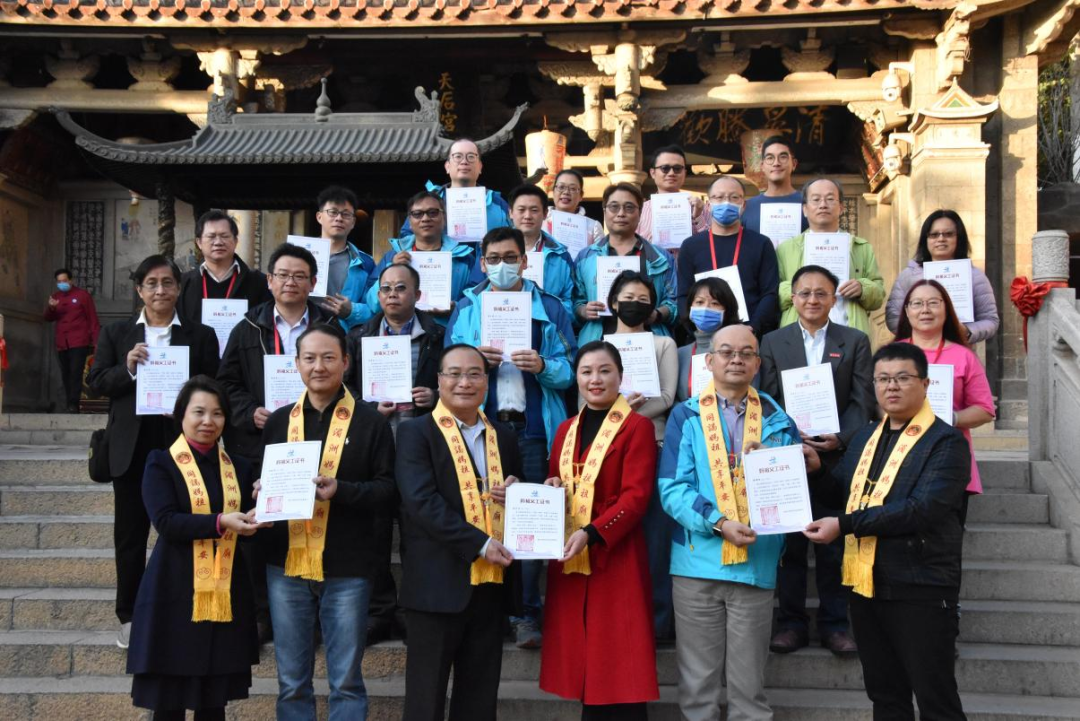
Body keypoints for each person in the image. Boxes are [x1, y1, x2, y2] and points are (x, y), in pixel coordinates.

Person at [803, 342, 970, 721]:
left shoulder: (946, 442)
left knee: (936, 700)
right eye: (882, 379)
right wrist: (818, 471)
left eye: (902, 378)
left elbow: (921, 510)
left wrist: (844, 526)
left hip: (921, 587)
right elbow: (842, 495)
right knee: (885, 696)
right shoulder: (865, 437)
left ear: (925, 384)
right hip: (866, 586)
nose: (891, 386)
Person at [658, 323, 801, 721]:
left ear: (758, 363)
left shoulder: (778, 420)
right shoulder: (685, 415)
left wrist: (785, 463)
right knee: (697, 687)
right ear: (709, 361)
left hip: (756, 561)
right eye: (726, 352)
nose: (736, 359)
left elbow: (789, 493)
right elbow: (672, 489)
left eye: (746, 353)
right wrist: (718, 522)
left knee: (749, 688)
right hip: (696, 562)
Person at [446, 226, 577, 648]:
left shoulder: (550, 307)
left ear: (524, 260)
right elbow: (449, 368)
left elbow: (570, 369)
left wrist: (543, 365)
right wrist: (473, 364)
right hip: (479, 430)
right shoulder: (467, 307)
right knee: (479, 516)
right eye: (494, 259)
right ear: (482, 263)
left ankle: (525, 614)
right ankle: (485, 609)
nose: (502, 265)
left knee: (530, 521)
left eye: (510, 257)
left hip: (532, 429)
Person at [260, 322, 397, 721]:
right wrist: (262, 492)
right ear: (296, 364)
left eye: (328, 357)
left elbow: (388, 490)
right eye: (309, 358)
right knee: (291, 681)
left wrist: (342, 490)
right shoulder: (279, 421)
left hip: (348, 565)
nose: (318, 366)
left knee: (346, 680)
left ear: (346, 363)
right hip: (286, 563)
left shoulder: (370, 422)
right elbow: (265, 482)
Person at [87, 255, 220, 650]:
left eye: (167, 282)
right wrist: (128, 368)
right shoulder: (117, 333)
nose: (160, 290)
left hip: (181, 444)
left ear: (179, 288)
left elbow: (213, 386)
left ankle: (183, 609)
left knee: (185, 529)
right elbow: (96, 382)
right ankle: (129, 615)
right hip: (130, 447)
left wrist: (184, 399)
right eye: (152, 283)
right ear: (139, 290)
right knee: (130, 537)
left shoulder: (200, 335)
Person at [395, 343, 524, 721]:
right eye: (454, 374)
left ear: (486, 382)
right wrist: (480, 544)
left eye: (474, 374)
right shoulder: (416, 432)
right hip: (436, 586)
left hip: (490, 586)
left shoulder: (504, 436)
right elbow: (421, 502)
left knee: (479, 699)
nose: (464, 382)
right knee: (425, 700)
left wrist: (519, 491)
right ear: (439, 381)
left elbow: (518, 492)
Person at [128, 375, 267, 721]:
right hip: (174, 588)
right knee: (169, 702)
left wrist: (262, 510)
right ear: (181, 415)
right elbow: (166, 522)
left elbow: (247, 524)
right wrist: (221, 522)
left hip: (224, 589)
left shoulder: (240, 467)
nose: (208, 421)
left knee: (213, 701)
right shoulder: (161, 463)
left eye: (217, 413)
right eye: (199, 412)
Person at [757, 265, 875, 656]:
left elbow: (862, 401)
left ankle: (835, 625)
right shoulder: (773, 341)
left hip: (836, 458)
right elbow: (767, 400)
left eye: (821, 293)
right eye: (804, 293)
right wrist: (789, 439)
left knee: (833, 545)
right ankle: (791, 624)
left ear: (833, 298)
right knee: (790, 545)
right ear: (792, 298)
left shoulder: (854, 341)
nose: (812, 299)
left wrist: (839, 438)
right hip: (787, 456)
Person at [539, 340, 659, 719]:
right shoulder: (565, 429)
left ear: (620, 377)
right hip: (570, 553)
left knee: (619, 655)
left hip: (614, 549)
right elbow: (556, 478)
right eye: (587, 371)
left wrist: (592, 533)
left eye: (605, 371)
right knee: (584, 657)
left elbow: (636, 497)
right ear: (576, 378)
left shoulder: (637, 427)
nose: (595, 379)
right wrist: (551, 487)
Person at [347, 262, 445, 645]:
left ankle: (411, 611)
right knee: (374, 533)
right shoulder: (359, 335)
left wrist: (435, 397)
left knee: (417, 531)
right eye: (386, 288)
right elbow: (344, 388)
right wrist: (367, 408)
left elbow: (453, 380)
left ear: (417, 295)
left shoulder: (438, 335)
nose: (392, 294)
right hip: (374, 445)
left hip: (420, 446)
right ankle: (379, 611)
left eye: (401, 288)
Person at [591, 270, 678, 639]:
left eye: (643, 300)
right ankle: (613, 619)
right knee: (612, 533)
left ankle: (657, 624)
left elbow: (667, 397)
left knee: (655, 537)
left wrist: (623, 412)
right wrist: (616, 412)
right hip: (605, 449)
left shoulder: (663, 344)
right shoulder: (598, 345)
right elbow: (584, 400)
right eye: (628, 298)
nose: (634, 305)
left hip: (652, 444)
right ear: (613, 303)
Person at [218, 243, 336, 467]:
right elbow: (226, 382)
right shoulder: (246, 329)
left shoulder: (329, 328)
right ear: (270, 280)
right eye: (283, 275)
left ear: (313, 283)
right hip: (260, 439)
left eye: (299, 276)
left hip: (318, 432)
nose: (290, 282)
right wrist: (250, 412)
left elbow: (345, 377)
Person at [894, 279, 995, 511]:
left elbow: (985, 409)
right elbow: (875, 404)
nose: (925, 310)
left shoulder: (964, 356)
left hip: (950, 457)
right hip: (899, 457)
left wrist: (951, 418)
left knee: (946, 532)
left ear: (946, 309)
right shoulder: (892, 354)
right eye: (917, 303)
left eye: (933, 303)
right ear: (907, 311)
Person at [777, 178, 884, 337]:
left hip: (848, 332)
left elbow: (879, 295)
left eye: (830, 199)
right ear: (805, 209)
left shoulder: (860, 247)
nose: (823, 205)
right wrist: (797, 289)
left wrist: (862, 288)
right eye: (816, 199)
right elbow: (773, 294)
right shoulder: (786, 249)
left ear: (841, 207)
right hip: (801, 335)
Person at [675, 176, 780, 337]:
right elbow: (683, 295)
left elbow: (770, 293)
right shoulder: (691, 246)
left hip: (748, 334)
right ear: (709, 204)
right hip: (702, 334)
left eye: (734, 197)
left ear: (743, 205)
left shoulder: (761, 244)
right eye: (719, 197)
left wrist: (753, 328)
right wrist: (695, 330)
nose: (726, 203)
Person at [574, 183, 678, 345]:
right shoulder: (585, 257)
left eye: (629, 207)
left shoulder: (660, 257)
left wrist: (657, 314)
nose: (621, 213)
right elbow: (573, 300)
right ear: (604, 211)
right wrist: (583, 310)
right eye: (614, 207)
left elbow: (674, 302)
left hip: (648, 342)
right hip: (597, 342)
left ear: (640, 213)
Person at [885, 210, 1000, 344]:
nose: (941, 239)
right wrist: (921, 334)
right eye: (934, 235)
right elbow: (893, 317)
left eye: (948, 234)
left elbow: (990, 320)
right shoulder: (908, 275)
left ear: (959, 238)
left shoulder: (975, 276)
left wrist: (967, 331)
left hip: (958, 349)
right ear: (925, 239)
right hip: (916, 350)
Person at [363, 190, 475, 327]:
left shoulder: (464, 258)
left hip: (448, 332)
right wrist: (391, 268)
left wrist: (456, 308)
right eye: (417, 214)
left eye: (433, 212)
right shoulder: (392, 257)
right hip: (403, 331)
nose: (425, 218)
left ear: (444, 218)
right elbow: (372, 304)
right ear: (410, 221)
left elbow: (474, 302)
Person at [177, 210, 272, 326]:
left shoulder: (259, 282)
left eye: (225, 236)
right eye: (211, 236)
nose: (218, 242)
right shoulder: (183, 284)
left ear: (235, 241)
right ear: (199, 242)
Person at [400, 138, 511, 237]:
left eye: (471, 157)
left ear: (480, 167)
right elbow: (406, 237)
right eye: (458, 156)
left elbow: (514, 236)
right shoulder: (428, 202)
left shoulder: (497, 202)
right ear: (447, 166)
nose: (464, 162)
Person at [312, 186, 377, 331]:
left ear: (353, 222)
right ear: (319, 217)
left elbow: (374, 308)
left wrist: (351, 311)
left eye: (346, 214)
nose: (339, 218)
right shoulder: (298, 254)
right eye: (333, 212)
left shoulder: (365, 263)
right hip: (303, 332)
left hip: (346, 336)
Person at [507, 183, 576, 318]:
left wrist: (544, 311)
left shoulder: (561, 255)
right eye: (521, 210)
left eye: (534, 210)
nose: (527, 216)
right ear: (511, 213)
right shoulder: (493, 251)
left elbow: (571, 303)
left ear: (545, 213)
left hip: (547, 327)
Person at [675, 277, 742, 404]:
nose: (706, 308)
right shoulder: (680, 354)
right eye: (699, 302)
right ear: (690, 308)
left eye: (715, 303)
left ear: (727, 310)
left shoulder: (740, 350)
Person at [45, 267, 100, 412]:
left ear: (71, 280)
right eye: (59, 282)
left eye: (64, 280)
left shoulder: (82, 295)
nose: (62, 283)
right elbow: (48, 318)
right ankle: (69, 402)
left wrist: (96, 342)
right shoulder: (55, 297)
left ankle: (73, 404)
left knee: (76, 372)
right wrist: (51, 308)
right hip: (62, 342)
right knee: (66, 373)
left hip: (79, 341)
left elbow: (92, 319)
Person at [742, 135, 809, 248]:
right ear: (762, 166)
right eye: (770, 158)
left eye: (783, 157)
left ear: (794, 164)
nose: (776, 163)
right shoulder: (747, 207)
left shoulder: (809, 203)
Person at [636, 145, 709, 242]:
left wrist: (698, 217)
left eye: (677, 168)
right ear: (653, 173)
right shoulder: (640, 211)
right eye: (665, 168)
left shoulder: (701, 209)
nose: (671, 173)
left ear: (684, 173)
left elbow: (711, 244)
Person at [542, 168, 604, 245]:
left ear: (581, 195)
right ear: (553, 192)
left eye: (572, 188)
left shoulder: (593, 227)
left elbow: (600, 252)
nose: (566, 192)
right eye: (561, 187)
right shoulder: (540, 221)